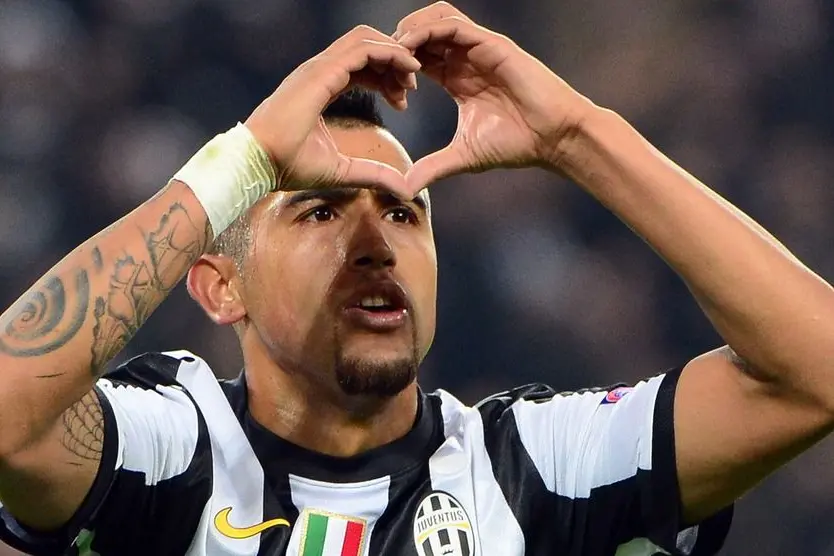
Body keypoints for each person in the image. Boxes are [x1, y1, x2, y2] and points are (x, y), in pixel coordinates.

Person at [1, 2, 833, 554]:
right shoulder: (175, 448)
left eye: (405, 212)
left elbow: (816, 374)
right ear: (221, 287)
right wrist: (240, 165)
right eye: (320, 212)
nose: (376, 243)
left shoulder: (535, 465)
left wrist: (579, 136)